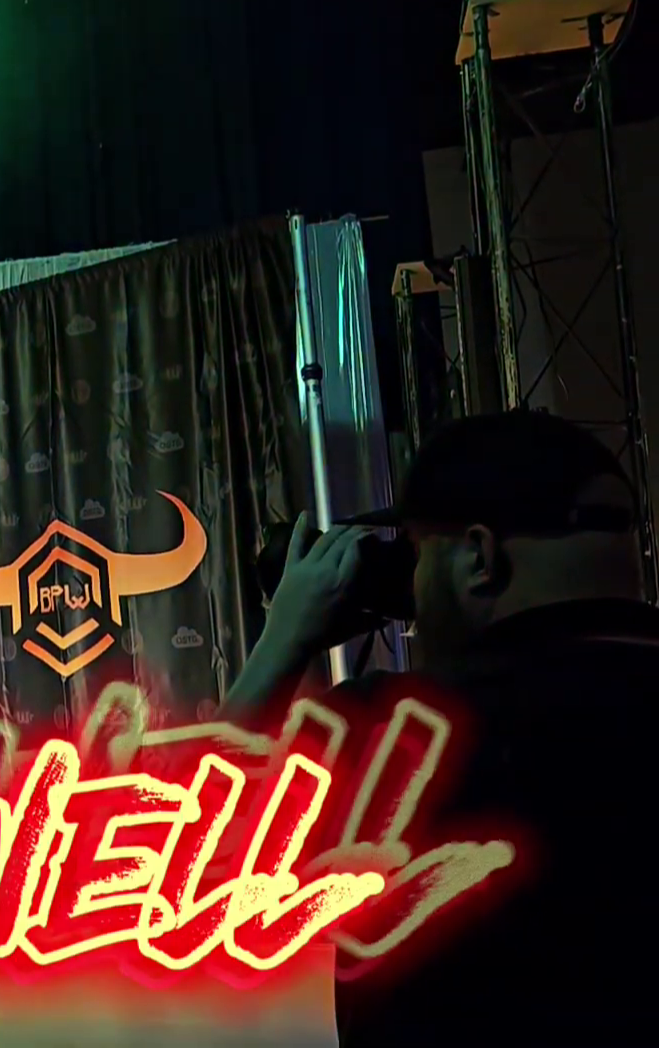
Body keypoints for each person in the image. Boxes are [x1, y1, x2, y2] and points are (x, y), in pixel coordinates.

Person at [221, 409, 658, 1046]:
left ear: (480, 557)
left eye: (420, 555)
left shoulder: (395, 733)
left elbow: (190, 853)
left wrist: (284, 637)